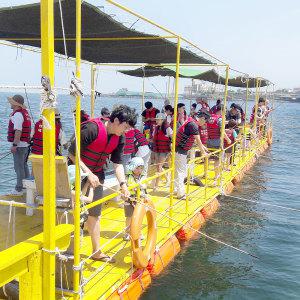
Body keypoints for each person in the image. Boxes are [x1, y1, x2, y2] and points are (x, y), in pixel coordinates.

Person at [68, 105, 136, 262]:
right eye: (125, 127)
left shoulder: (120, 138)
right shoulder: (92, 129)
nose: (125, 131)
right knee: (75, 214)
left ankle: (96, 251)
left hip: (97, 174)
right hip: (77, 173)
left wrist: (123, 184)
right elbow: (72, 154)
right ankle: (70, 250)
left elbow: (118, 164)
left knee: (95, 214)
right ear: (116, 120)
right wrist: (88, 173)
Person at [175, 111, 208, 199]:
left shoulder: (191, 122)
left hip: (179, 150)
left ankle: (176, 189)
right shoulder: (193, 125)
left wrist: (203, 148)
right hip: (180, 151)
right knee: (181, 172)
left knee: (178, 171)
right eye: (205, 121)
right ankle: (180, 194)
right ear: (202, 118)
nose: (205, 123)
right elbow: (198, 139)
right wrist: (203, 153)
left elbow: (195, 140)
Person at [7, 95, 31, 195]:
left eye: (11, 102)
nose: (10, 103)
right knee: (24, 165)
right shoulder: (25, 113)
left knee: (18, 167)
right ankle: (26, 187)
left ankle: (19, 188)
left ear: (15, 104)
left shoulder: (17, 115)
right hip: (25, 145)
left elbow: (18, 130)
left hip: (20, 145)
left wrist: (14, 144)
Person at [123, 157, 147, 241]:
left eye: (141, 168)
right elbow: (124, 186)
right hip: (129, 200)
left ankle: (139, 232)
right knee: (129, 217)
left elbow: (144, 185)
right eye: (137, 168)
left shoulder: (143, 176)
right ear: (132, 167)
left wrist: (139, 186)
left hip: (139, 200)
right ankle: (127, 233)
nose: (139, 170)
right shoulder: (127, 177)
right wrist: (130, 188)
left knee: (139, 217)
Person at [206, 105, 232, 183]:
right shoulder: (219, 119)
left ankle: (206, 174)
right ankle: (216, 177)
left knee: (209, 159)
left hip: (209, 140)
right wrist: (228, 139)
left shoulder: (210, 117)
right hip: (217, 141)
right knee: (218, 160)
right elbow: (222, 131)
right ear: (222, 111)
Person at [151, 113, 173, 190]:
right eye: (156, 119)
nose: (157, 121)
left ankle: (156, 186)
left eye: (158, 119)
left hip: (164, 150)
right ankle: (168, 180)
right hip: (157, 149)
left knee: (159, 166)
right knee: (158, 166)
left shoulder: (167, 128)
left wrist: (172, 147)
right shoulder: (156, 128)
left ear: (163, 120)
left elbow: (172, 137)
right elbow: (153, 138)